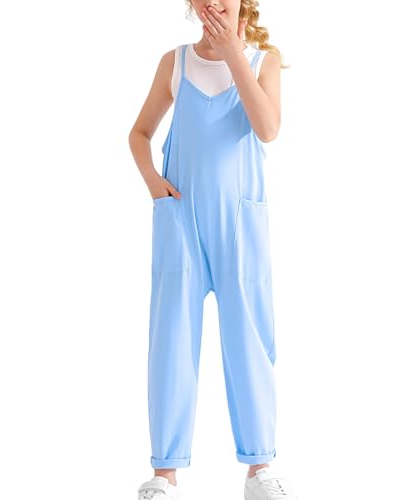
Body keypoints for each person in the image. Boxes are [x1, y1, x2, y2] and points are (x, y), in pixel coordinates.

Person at [128, 1, 295, 499]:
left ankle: (259, 469)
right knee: (172, 340)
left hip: (240, 224)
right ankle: (164, 474)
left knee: (250, 338)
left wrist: (233, 53)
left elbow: (267, 128)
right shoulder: (175, 62)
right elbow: (139, 133)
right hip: (180, 221)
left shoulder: (263, 61)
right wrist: (153, 181)